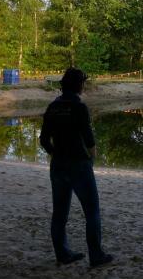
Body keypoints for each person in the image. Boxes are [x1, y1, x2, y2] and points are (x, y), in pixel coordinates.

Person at [40, 67, 113, 268]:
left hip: (58, 165)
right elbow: (88, 138)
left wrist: (55, 153)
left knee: (59, 213)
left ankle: (62, 254)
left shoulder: (52, 107)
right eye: (83, 82)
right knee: (92, 211)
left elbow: (43, 140)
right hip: (79, 164)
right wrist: (92, 157)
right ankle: (96, 255)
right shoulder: (79, 107)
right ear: (79, 85)